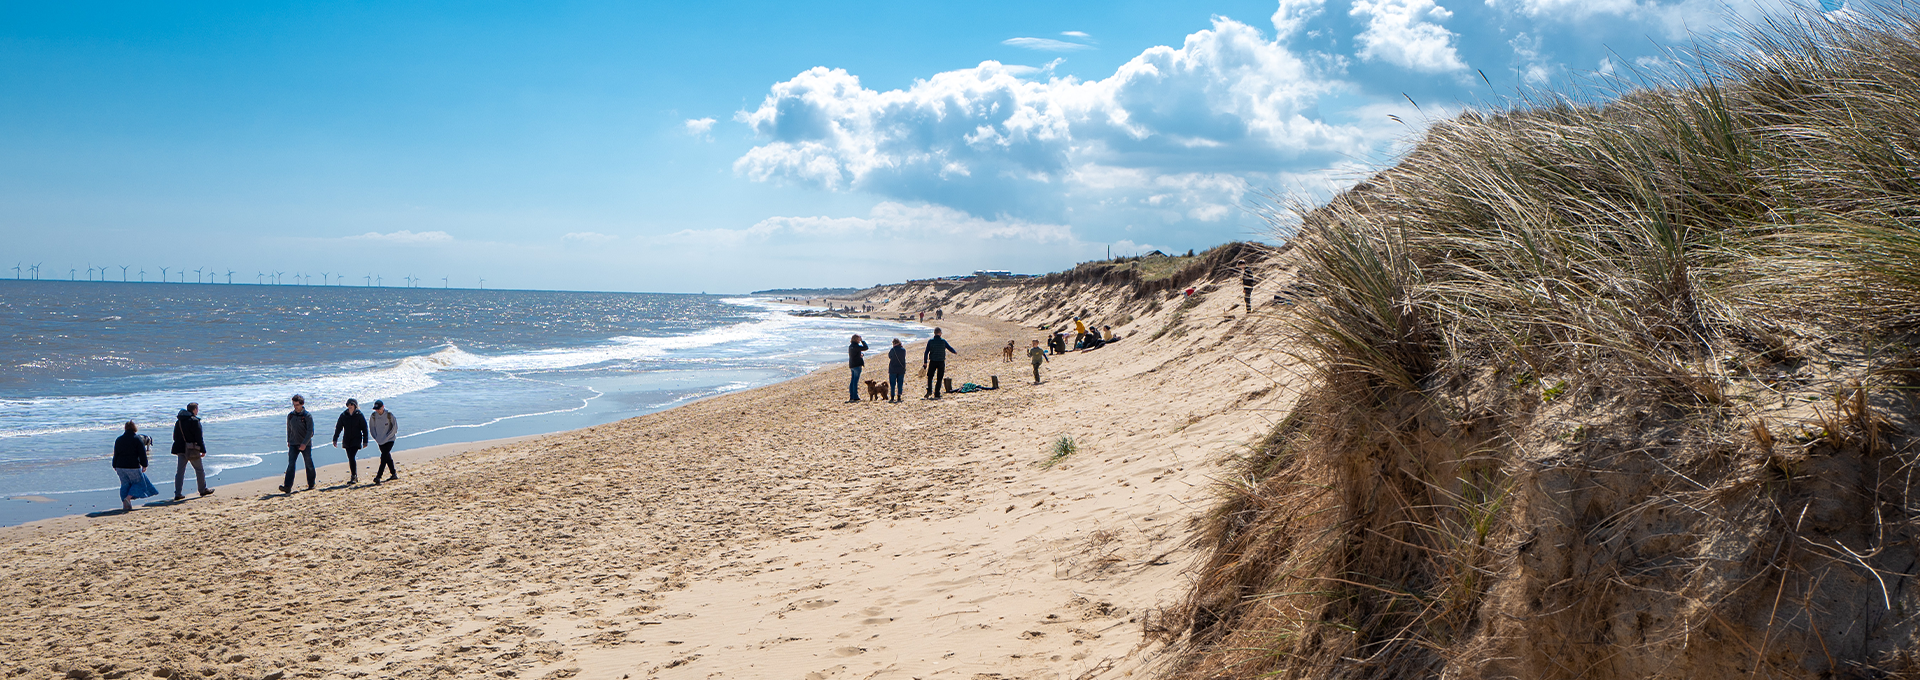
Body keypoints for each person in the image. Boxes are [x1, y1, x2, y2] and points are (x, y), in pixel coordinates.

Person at [170, 402, 214, 500]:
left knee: (180, 472)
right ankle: (202, 489)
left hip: (180, 449)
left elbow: (175, 437)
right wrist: (203, 450)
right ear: (194, 410)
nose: (197, 411)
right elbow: (199, 437)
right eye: (197, 409)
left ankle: (178, 493)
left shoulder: (179, 422)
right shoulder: (194, 421)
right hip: (192, 449)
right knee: (199, 470)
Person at [112, 421, 154, 511]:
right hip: (132, 466)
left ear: (125, 428)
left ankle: (126, 505)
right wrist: (145, 464)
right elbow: (142, 454)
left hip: (120, 466)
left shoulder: (119, 439)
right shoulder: (137, 439)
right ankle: (128, 498)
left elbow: (116, 454)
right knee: (139, 483)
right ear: (134, 428)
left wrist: (114, 464)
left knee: (124, 484)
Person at [280, 394, 315, 494]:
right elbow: (289, 429)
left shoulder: (307, 416)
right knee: (291, 464)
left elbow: (310, 432)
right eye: (294, 405)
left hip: (305, 444)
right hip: (293, 444)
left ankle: (311, 484)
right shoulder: (290, 415)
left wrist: (304, 444)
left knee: (308, 463)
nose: (295, 407)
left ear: (302, 404)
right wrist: (289, 441)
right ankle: (287, 486)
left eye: (297, 405)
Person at [332, 398, 370, 484]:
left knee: (352, 456)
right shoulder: (344, 415)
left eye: (351, 405)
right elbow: (338, 427)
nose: (349, 406)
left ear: (355, 406)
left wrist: (365, 441)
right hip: (347, 439)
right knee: (350, 457)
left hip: (356, 439)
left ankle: (353, 476)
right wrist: (335, 439)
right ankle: (354, 475)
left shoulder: (359, 415)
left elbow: (364, 428)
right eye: (348, 405)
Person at [369, 400, 400, 483]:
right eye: (376, 409)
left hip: (390, 440)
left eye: (379, 409)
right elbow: (372, 429)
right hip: (380, 440)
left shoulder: (389, 415)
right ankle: (393, 474)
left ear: (383, 407)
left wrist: (387, 437)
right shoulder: (373, 416)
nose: (377, 411)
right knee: (387, 457)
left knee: (383, 457)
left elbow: (395, 428)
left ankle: (378, 476)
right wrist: (376, 438)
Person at [923, 327, 959, 399]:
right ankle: (937, 393)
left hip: (933, 361)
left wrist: (925, 362)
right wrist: (954, 352)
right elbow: (949, 348)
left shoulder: (931, 341)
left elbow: (926, 352)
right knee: (939, 378)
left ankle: (929, 390)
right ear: (939, 333)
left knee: (930, 377)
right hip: (941, 362)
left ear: (934, 333)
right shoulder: (943, 341)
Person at [846, 334, 869, 403]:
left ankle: (852, 396)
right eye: (859, 338)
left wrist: (861, 355)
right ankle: (855, 396)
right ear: (856, 339)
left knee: (853, 381)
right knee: (855, 381)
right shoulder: (856, 346)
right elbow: (866, 347)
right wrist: (862, 341)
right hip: (856, 365)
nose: (860, 339)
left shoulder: (851, 346)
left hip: (852, 365)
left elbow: (856, 354)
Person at [887, 338, 907, 403]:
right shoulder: (903, 350)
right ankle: (899, 396)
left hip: (893, 368)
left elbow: (890, 356)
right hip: (901, 368)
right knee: (900, 383)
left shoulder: (893, 350)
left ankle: (892, 397)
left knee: (892, 384)